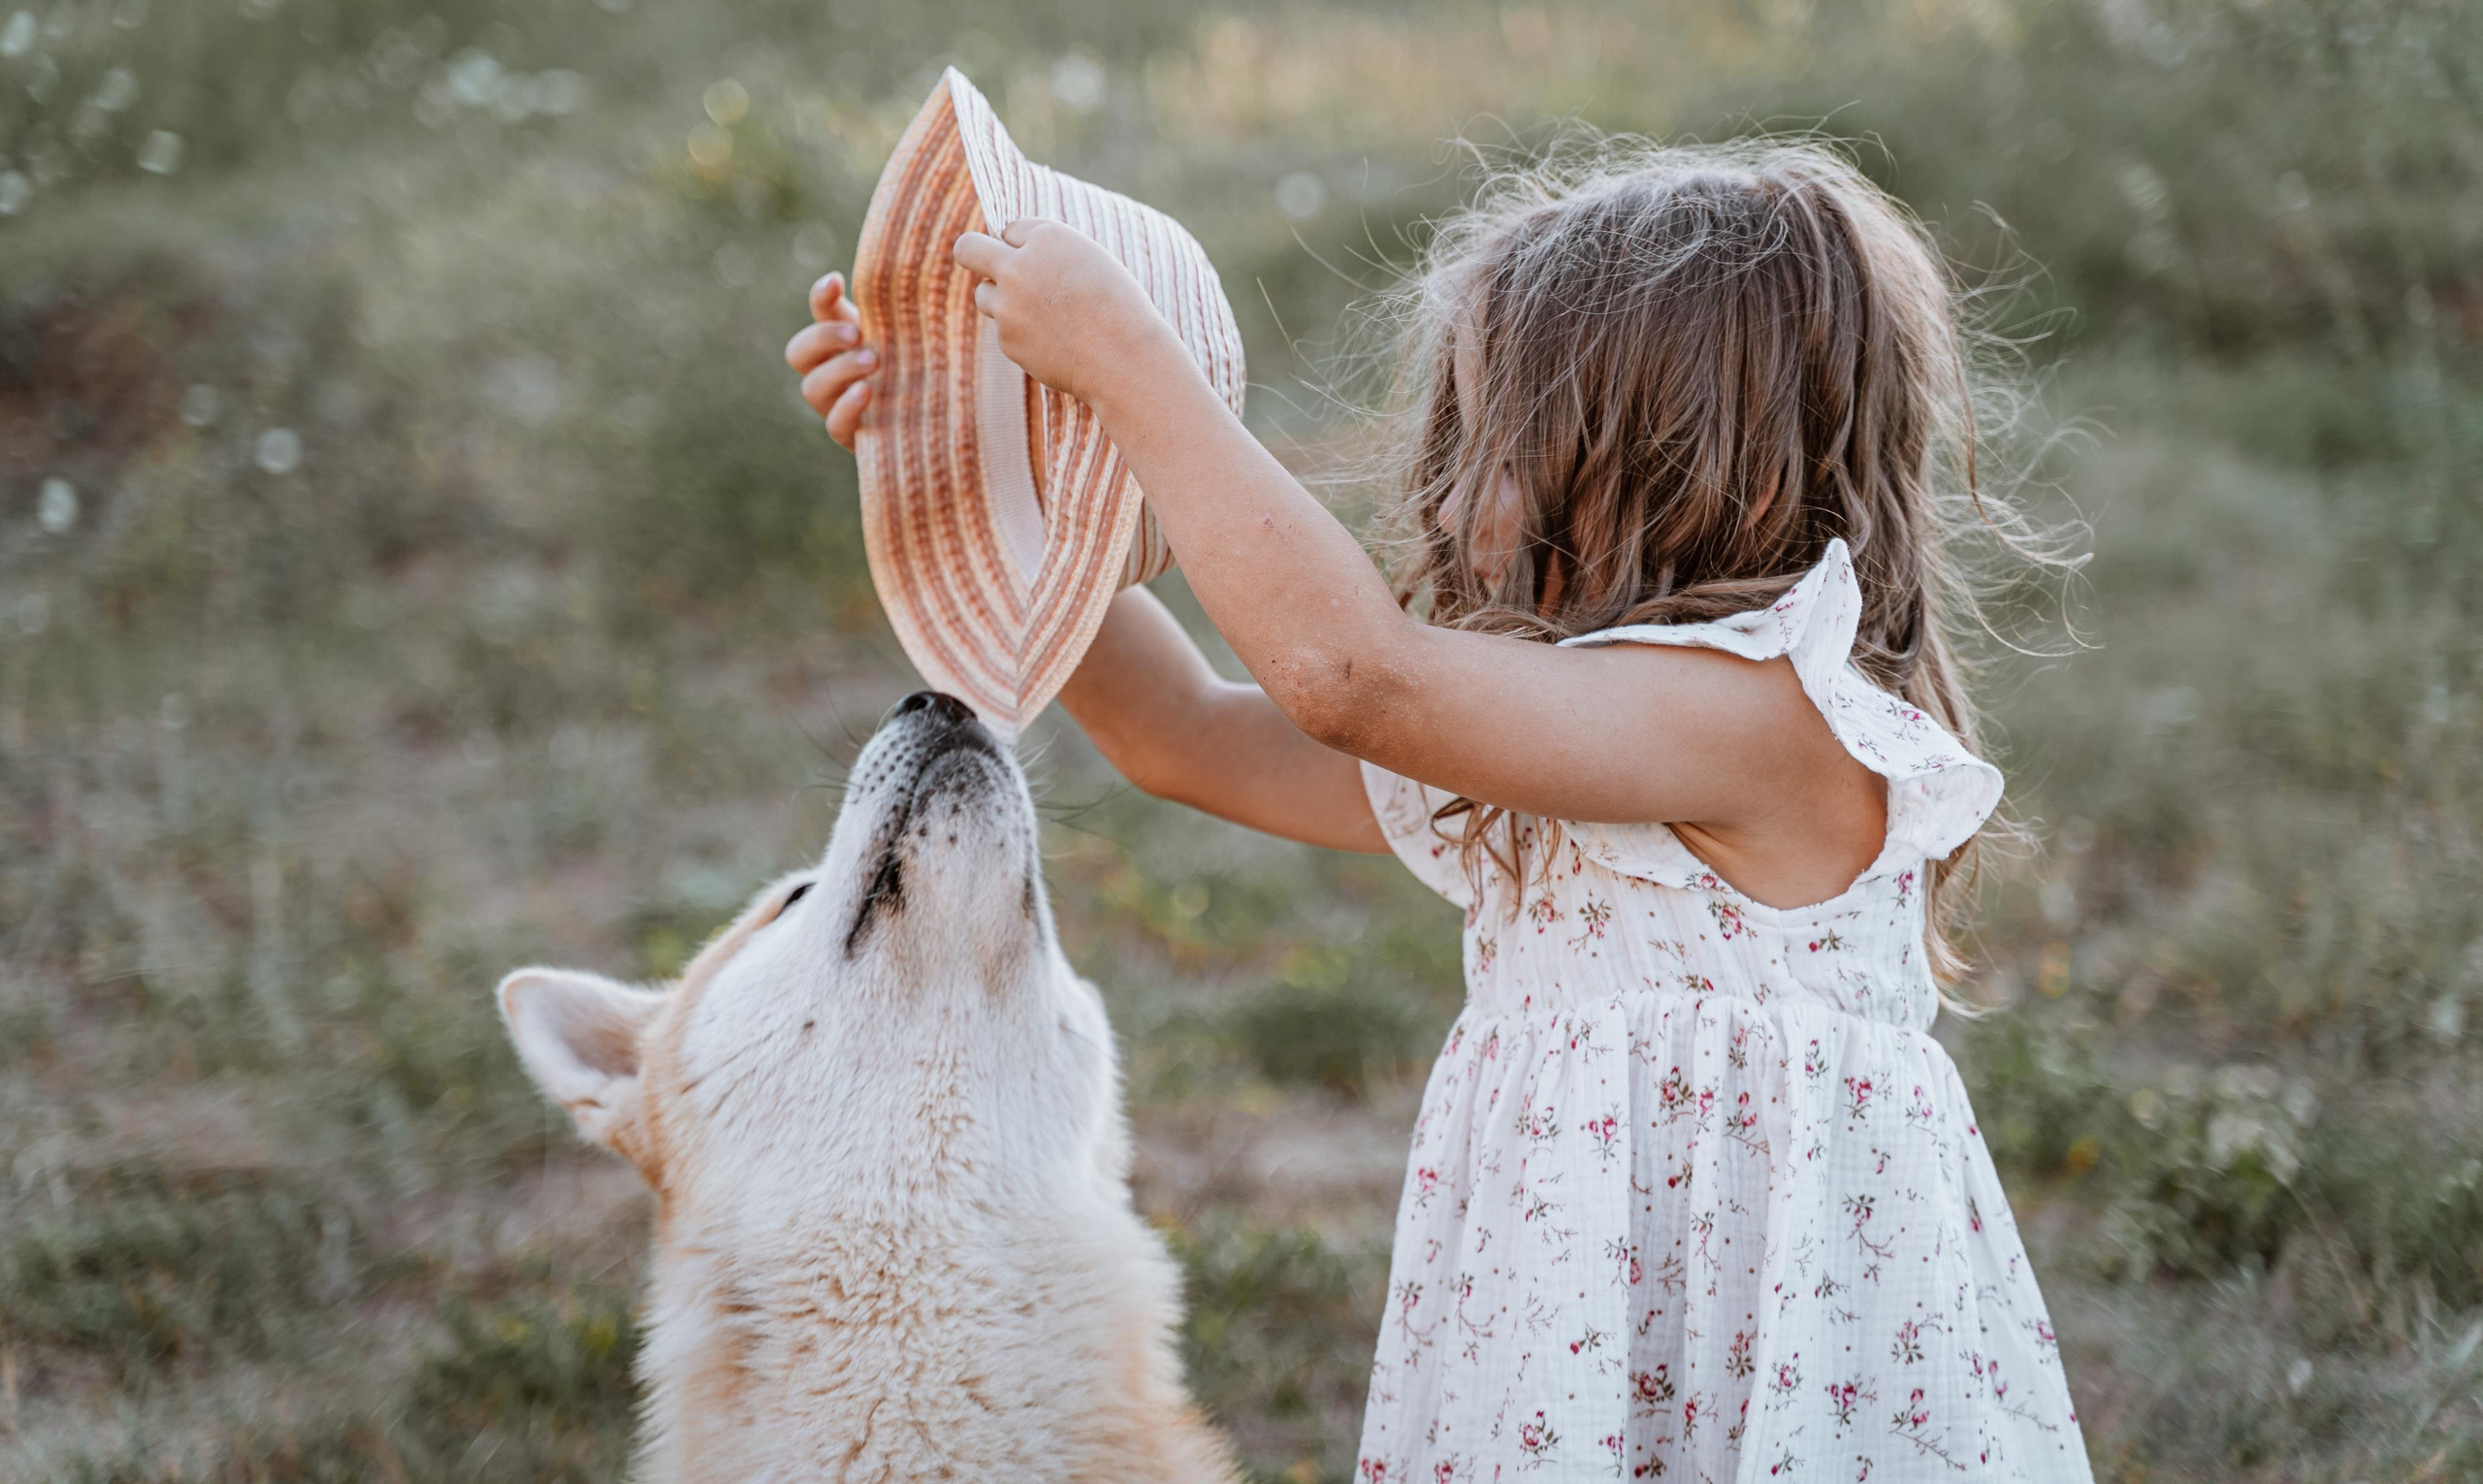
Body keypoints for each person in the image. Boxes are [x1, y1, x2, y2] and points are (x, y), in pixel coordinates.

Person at [786, 139, 2093, 1480]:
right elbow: (1181, 737)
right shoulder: (1563, 739)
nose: (1451, 497)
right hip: (1577, 1347)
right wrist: (961, 458)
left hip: (1767, 1375)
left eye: (1501, 451)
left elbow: (1347, 677)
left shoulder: (1769, 722)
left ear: (1699, 464)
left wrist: (1128, 364)